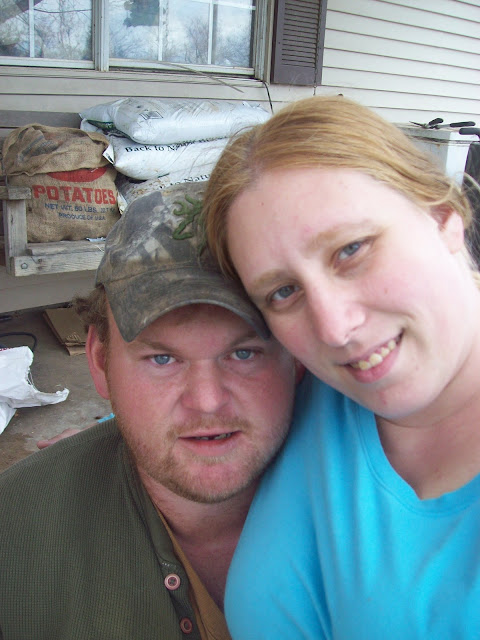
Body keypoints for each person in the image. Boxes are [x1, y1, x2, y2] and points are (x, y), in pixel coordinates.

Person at [202, 95, 480, 638]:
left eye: (351, 250)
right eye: (283, 292)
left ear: (443, 217)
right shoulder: (317, 392)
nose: (333, 329)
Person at [0, 184, 301, 640]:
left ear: (299, 357)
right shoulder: (15, 538)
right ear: (100, 361)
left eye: (244, 353)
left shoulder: (385, 501)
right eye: (162, 359)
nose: (207, 401)